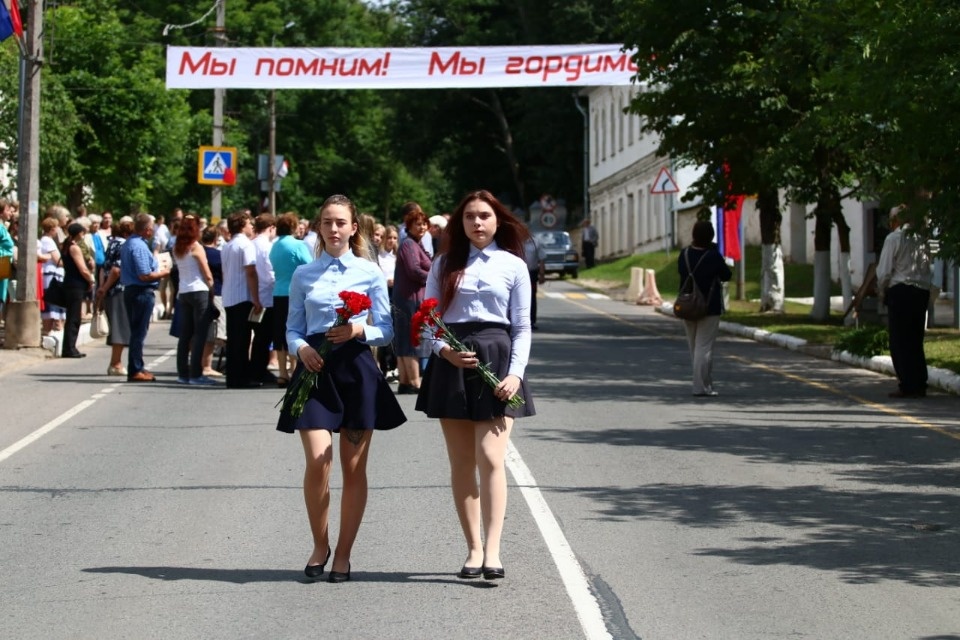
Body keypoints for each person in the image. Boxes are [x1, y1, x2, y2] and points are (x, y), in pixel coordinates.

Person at [277, 194, 406, 584]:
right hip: (314, 370)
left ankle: (344, 554)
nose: (334, 229)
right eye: (327, 222)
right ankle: (320, 543)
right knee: (318, 461)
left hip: (356, 370)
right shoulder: (304, 275)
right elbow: (292, 327)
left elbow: (386, 329)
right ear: (319, 227)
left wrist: (358, 329)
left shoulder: (369, 272)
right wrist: (300, 349)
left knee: (353, 469)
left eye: (340, 223)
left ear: (353, 228)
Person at [415, 189, 537, 582]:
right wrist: (442, 351)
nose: (478, 223)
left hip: (498, 359)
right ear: (460, 222)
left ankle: (494, 550)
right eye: (470, 216)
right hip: (453, 360)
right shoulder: (444, 264)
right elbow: (428, 318)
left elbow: (522, 326)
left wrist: (515, 373)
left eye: (485, 215)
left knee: (491, 456)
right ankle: (473, 548)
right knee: (462, 462)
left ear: (497, 220)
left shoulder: (514, 265)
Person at [876, 205, 933, 398]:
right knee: (915, 339)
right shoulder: (922, 239)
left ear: (895, 221)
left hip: (901, 291)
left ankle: (908, 383)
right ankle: (919, 382)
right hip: (921, 292)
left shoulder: (894, 238)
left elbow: (884, 271)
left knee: (900, 340)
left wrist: (882, 290)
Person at [677, 220, 732, 397]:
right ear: (711, 236)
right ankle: (701, 387)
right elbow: (726, 275)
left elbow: (681, 273)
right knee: (704, 347)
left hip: (687, 305)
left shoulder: (684, 254)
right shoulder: (713, 256)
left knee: (694, 347)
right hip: (709, 307)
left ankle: (703, 383)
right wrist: (716, 255)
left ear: (693, 234)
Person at [120, 213, 171, 382]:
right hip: (140, 292)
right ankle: (135, 369)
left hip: (133, 291)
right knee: (139, 333)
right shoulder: (139, 247)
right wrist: (163, 273)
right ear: (147, 230)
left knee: (138, 331)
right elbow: (144, 275)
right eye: (152, 228)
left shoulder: (131, 243)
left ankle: (138, 366)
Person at [269, 212, 314, 387]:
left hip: (278, 291)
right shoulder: (298, 245)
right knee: (295, 330)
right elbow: (309, 266)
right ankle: (295, 369)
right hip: (294, 292)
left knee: (279, 333)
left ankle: (282, 372)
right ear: (294, 227)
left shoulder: (275, 246)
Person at [392, 203, 432, 394]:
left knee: (405, 339)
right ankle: (414, 381)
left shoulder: (415, 243)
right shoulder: (409, 244)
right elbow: (414, 270)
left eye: (424, 224)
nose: (422, 227)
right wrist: (434, 277)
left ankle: (406, 380)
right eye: (418, 224)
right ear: (408, 225)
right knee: (411, 339)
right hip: (409, 298)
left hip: (407, 297)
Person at [172, 215, 217, 385]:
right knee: (200, 334)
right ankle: (196, 374)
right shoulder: (196, 247)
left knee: (185, 335)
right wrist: (212, 289)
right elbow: (206, 274)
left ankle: (182, 372)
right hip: (199, 291)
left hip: (183, 292)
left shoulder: (177, 248)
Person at [221, 211, 262, 389]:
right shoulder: (246, 245)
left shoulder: (228, 245)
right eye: (248, 223)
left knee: (233, 339)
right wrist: (256, 298)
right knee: (242, 339)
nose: (251, 226)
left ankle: (233, 377)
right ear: (241, 225)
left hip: (229, 295)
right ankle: (241, 378)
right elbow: (251, 272)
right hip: (242, 295)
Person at [96, 216, 133, 376]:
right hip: (119, 289)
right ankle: (116, 363)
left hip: (110, 289)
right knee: (120, 327)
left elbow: (104, 268)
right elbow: (116, 270)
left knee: (117, 326)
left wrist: (102, 288)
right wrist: (105, 287)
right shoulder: (123, 245)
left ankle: (115, 362)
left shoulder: (111, 243)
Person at [59, 223, 97, 358]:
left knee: (72, 316)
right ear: (78, 233)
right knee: (74, 317)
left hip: (70, 283)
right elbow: (83, 268)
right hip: (76, 285)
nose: (83, 235)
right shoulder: (74, 247)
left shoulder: (65, 245)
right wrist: (91, 280)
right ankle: (69, 348)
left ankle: (69, 347)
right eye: (82, 232)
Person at [251, 213, 278, 385]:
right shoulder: (266, 247)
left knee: (258, 336)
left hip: (253, 294)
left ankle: (257, 369)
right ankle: (259, 370)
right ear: (271, 228)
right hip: (267, 295)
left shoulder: (251, 244)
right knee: (265, 336)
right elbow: (269, 273)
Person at [200, 225, 226, 378]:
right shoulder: (217, 255)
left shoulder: (197, 252)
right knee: (214, 332)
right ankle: (207, 365)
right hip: (216, 292)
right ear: (216, 239)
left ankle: (198, 362)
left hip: (199, 293)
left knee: (199, 331)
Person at [376, 225, 399, 377]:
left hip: (395, 294)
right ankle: (385, 365)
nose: (391, 241)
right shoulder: (379, 256)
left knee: (396, 332)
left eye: (394, 238)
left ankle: (394, 366)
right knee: (385, 329)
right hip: (384, 294)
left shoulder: (396, 257)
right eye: (389, 237)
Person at [38, 217, 66, 335]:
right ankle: (48, 331)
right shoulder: (48, 241)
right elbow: (57, 260)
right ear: (52, 229)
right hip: (51, 277)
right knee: (52, 305)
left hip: (50, 276)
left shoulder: (45, 240)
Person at [522, 233, 546, 330]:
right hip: (518, 273)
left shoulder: (535, 243)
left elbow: (542, 259)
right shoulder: (514, 241)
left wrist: (542, 274)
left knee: (531, 297)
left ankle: (531, 321)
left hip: (531, 273)